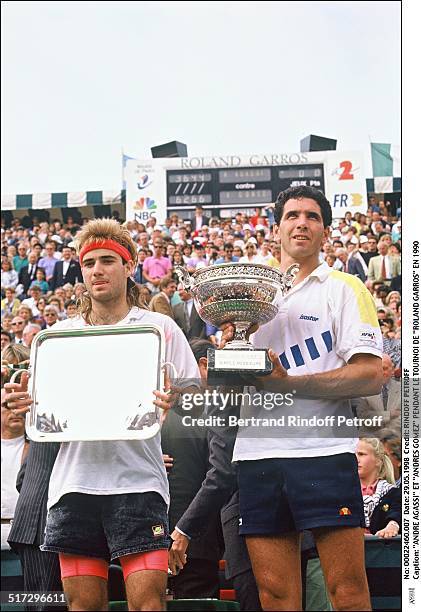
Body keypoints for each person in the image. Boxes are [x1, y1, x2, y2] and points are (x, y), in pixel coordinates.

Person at [4, 218, 199, 612]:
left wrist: (173, 394)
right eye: (89, 262)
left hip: (139, 483)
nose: (97, 270)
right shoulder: (60, 334)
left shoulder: (158, 327)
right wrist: (22, 400)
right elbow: (44, 409)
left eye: (108, 260)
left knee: (148, 605)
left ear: (129, 267)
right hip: (72, 486)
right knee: (82, 607)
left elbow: (192, 389)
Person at [223, 185, 383, 611]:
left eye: (312, 217)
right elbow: (229, 379)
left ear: (325, 232)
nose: (301, 223)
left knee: (347, 591)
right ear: (276, 230)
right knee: (275, 596)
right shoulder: (247, 295)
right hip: (258, 454)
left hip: (324, 450)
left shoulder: (346, 288)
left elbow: (370, 375)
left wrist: (289, 384)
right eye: (292, 215)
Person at [356, 438, 397, 535]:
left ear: (378, 461)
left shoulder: (393, 492)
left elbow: (398, 511)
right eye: (353, 455)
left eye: (361, 454)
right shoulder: (344, 491)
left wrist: (392, 525)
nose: (355, 459)